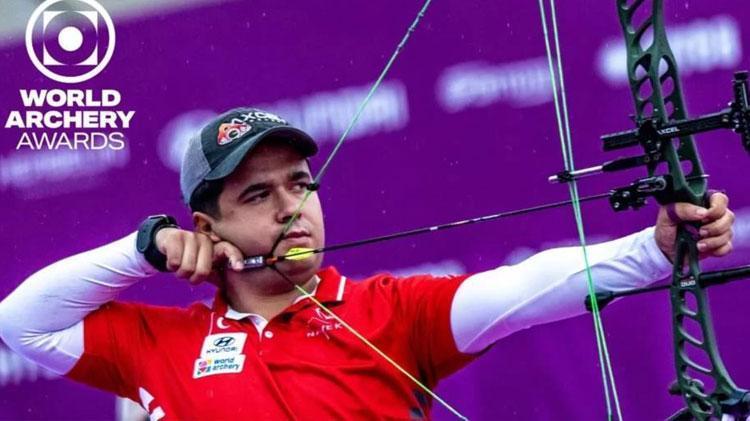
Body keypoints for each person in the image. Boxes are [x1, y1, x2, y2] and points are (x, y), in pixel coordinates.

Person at [0, 108, 735, 419]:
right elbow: (21, 321)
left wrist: (654, 249)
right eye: (257, 194)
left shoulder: (390, 312)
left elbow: (527, 286)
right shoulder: (160, 342)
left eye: (301, 184)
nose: (292, 208)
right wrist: (145, 246)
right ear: (206, 228)